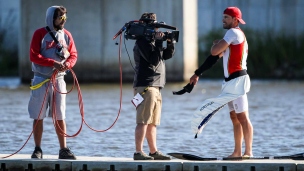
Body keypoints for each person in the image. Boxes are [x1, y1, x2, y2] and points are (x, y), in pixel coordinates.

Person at [189, 7, 253, 157]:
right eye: (223, 17)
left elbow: (214, 51)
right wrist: (197, 73)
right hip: (230, 82)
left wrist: (216, 44)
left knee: (243, 117)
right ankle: (237, 152)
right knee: (235, 118)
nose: (223, 20)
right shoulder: (234, 37)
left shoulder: (233, 33)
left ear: (235, 20)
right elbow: (215, 57)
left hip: (237, 80)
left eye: (226, 17)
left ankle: (248, 152)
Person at [28, 5, 77, 159]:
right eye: (60, 17)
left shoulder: (67, 35)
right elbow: (33, 55)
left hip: (59, 81)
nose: (63, 20)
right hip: (41, 80)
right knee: (38, 116)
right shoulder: (39, 34)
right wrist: (52, 62)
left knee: (60, 115)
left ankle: (63, 149)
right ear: (52, 18)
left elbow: (73, 55)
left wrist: (67, 64)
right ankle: (37, 149)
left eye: (65, 17)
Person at [132, 12, 175, 160]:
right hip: (146, 86)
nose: (156, 30)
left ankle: (153, 151)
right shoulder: (142, 42)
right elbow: (153, 60)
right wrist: (158, 43)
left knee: (153, 123)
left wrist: (169, 43)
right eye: (153, 26)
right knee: (143, 120)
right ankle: (138, 152)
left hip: (156, 87)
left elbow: (166, 56)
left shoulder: (151, 42)